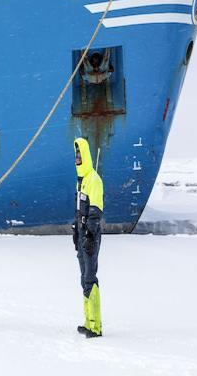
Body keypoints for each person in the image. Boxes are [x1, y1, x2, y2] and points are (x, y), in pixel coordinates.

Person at [72, 137, 104, 338]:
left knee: (90, 279)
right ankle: (87, 321)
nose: (77, 159)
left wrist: (90, 236)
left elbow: (95, 211)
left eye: (79, 155)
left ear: (86, 156)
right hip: (82, 236)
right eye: (75, 156)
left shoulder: (94, 180)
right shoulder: (81, 181)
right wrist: (76, 232)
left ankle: (96, 326)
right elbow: (79, 211)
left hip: (90, 237)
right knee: (84, 279)